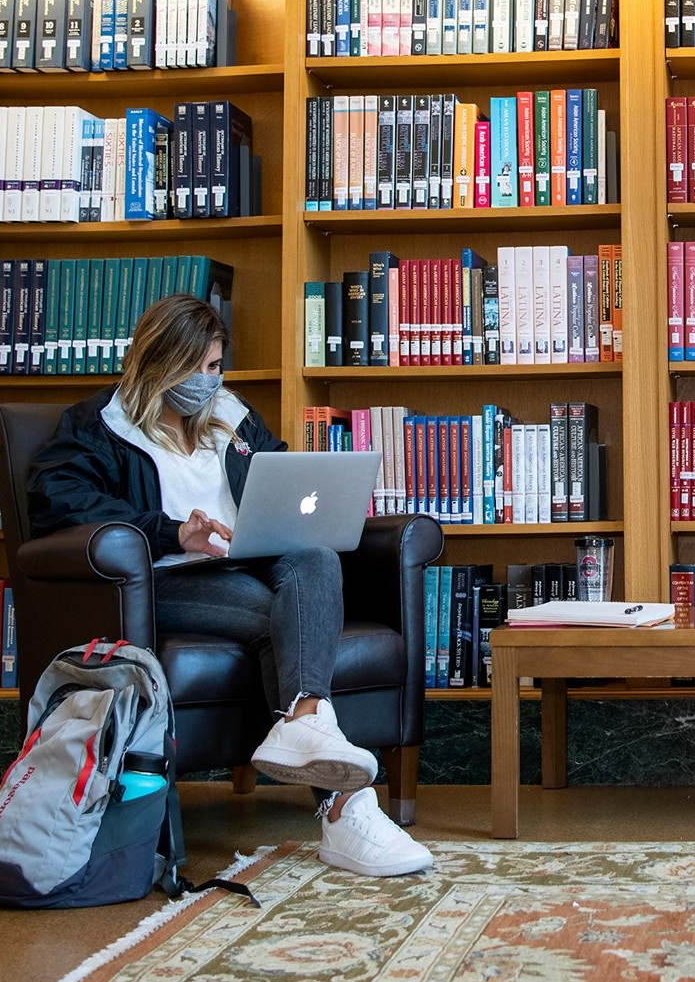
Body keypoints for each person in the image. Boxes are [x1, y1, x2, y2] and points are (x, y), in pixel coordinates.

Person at [27, 294, 431, 878]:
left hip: (249, 566)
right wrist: (171, 534)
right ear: (156, 360)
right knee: (286, 619)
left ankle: (305, 727)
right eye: (194, 366)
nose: (206, 380)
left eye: (215, 366)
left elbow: (283, 479)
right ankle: (347, 810)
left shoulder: (232, 421)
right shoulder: (101, 426)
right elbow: (58, 502)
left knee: (316, 557)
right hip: (168, 581)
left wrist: (288, 517)